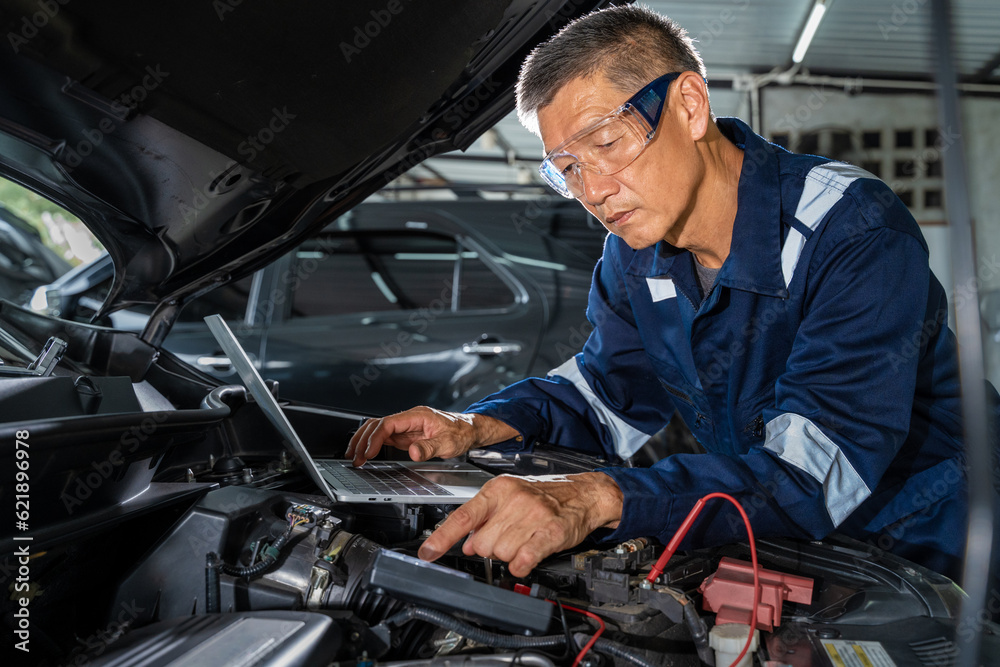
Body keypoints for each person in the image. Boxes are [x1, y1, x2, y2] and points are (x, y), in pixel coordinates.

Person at [346, 6, 970, 582]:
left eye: (605, 143)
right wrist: (475, 426)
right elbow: (606, 394)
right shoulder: (636, 254)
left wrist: (600, 497)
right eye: (568, 169)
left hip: (936, 552)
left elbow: (814, 472)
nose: (593, 190)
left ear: (690, 106)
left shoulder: (850, 231)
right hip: (794, 545)